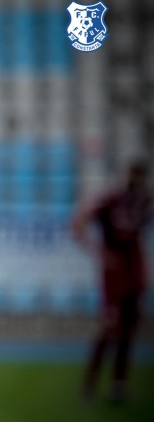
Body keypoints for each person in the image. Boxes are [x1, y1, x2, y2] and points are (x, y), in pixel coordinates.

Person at [71, 160, 151, 403]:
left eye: (141, 175)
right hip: (114, 274)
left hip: (135, 272)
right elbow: (79, 223)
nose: (136, 180)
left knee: (128, 330)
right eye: (133, 175)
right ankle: (90, 383)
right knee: (109, 327)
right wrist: (99, 253)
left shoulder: (145, 202)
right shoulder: (110, 200)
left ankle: (119, 384)